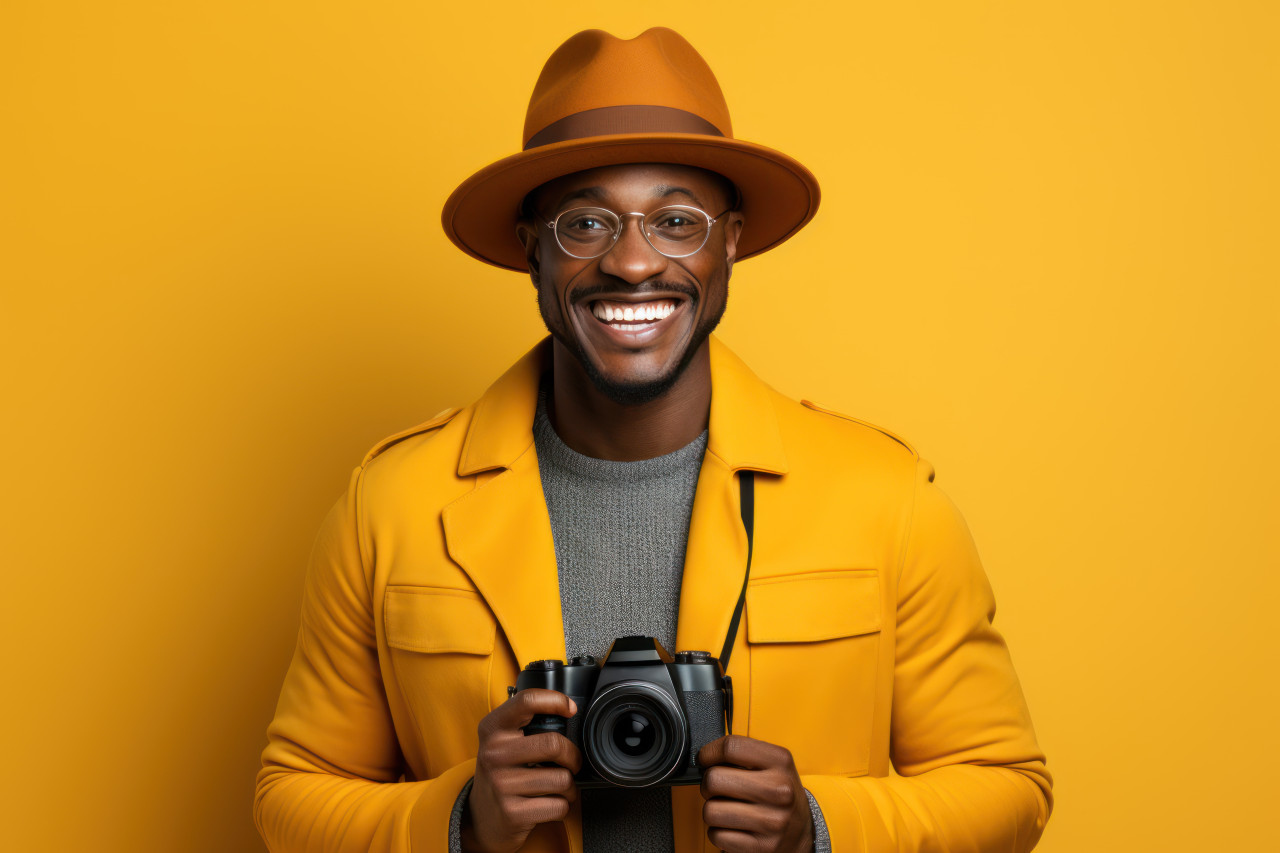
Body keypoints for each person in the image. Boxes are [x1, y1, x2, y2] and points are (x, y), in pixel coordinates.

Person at [254, 27, 1052, 853]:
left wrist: (817, 829)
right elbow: (291, 793)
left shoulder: (883, 498)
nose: (632, 263)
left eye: (676, 220)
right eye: (585, 223)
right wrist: (461, 820)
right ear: (531, 248)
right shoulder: (392, 506)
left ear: (730, 241)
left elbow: (1007, 785)